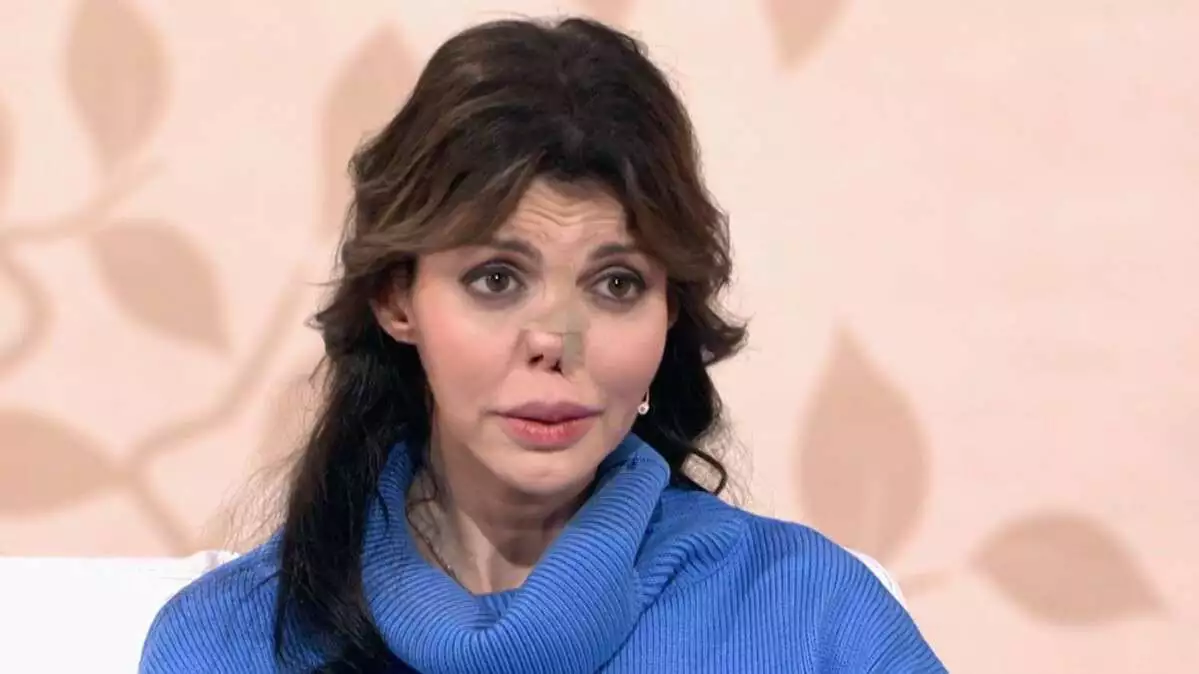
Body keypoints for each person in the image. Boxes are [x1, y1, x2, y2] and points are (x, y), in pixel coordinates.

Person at [139, 16, 946, 674]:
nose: (557, 343)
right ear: (395, 298)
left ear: (670, 312)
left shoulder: (813, 614)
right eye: (496, 279)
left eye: (616, 284)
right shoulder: (231, 640)